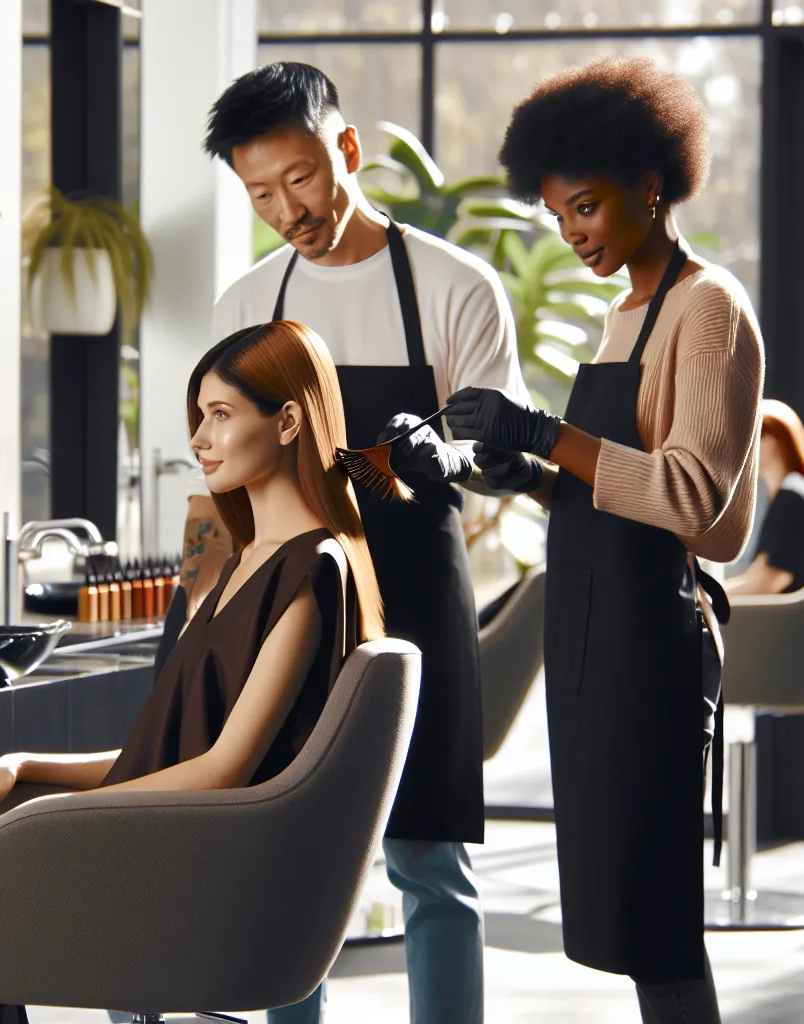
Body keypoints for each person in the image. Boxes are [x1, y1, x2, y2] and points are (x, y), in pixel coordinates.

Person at [0, 321, 386, 1024]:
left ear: (288, 422)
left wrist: (37, 818)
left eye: (221, 414)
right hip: (132, 837)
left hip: (175, 869)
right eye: (198, 416)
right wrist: (21, 765)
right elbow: (160, 758)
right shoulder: (244, 559)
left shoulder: (311, 570)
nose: (198, 438)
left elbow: (222, 771)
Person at [206, 61, 529, 1024]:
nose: (287, 211)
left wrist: (453, 456)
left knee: (432, 860)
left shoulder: (454, 285)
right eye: (261, 193)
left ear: (346, 149)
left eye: (300, 179)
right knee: (288, 855)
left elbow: (504, 452)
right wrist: (203, 618)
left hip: (417, 597)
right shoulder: (249, 305)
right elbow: (219, 483)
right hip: (289, 610)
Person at [444, 57, 764, 1023]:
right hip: (588, 638)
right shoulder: (624, 314)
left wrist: (545, 432)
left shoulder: (707, 308)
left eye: (585, 207)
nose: (573, 233)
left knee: (655, 920)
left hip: (651, 645)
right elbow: (604, 489)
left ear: (652, 184)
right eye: (558, 216)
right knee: (621, 916)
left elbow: (694, 501)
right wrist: (512, 470)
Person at [728, 399, 804, 595]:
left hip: (794, 612)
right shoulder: (796, 492)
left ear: (777, 440)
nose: (744, 446)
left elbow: (767, 583)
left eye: (754, 436)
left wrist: (705, 599)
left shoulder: (792, 498)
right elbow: (761, 577)